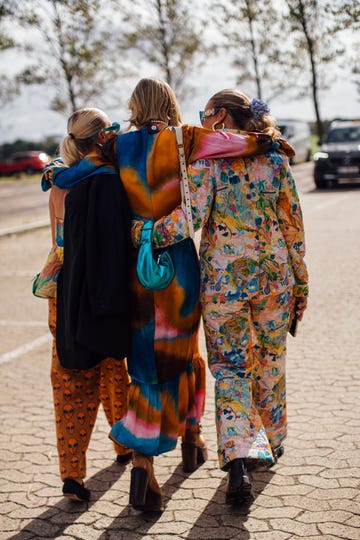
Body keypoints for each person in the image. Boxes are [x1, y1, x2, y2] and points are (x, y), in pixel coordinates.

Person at [42, 78, 288, 513]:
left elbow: (75, 171)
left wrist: (53, 174)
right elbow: (237, 144)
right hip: (177, 265)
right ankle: (191, 437)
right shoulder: (187, 139)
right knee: (183, 353)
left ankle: (144, 463)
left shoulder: (117, 146)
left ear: (134, 107)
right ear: (170, 104)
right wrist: (268, 140)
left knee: (146, 368)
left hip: (136, 267)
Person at [136, 89, 309, 504]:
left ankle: (237, 462)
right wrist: (301, 283)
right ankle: (268, 444)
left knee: (232, 370)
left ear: (223, 118)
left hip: (224, 285)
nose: (202, 121)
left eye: (205, 114)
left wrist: (143, 233)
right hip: (274, 281)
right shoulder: (275, 158)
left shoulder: (208, 162)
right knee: (270, 361)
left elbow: (187, 219)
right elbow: (294, 228)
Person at [35, 108, 132, 502]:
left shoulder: (59, 180)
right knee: (112, 369)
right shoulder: (114, 180)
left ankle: (72, 471)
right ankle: (125, 445)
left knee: (70, 378)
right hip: (104, 288)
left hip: (64, 287)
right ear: (101, 139)